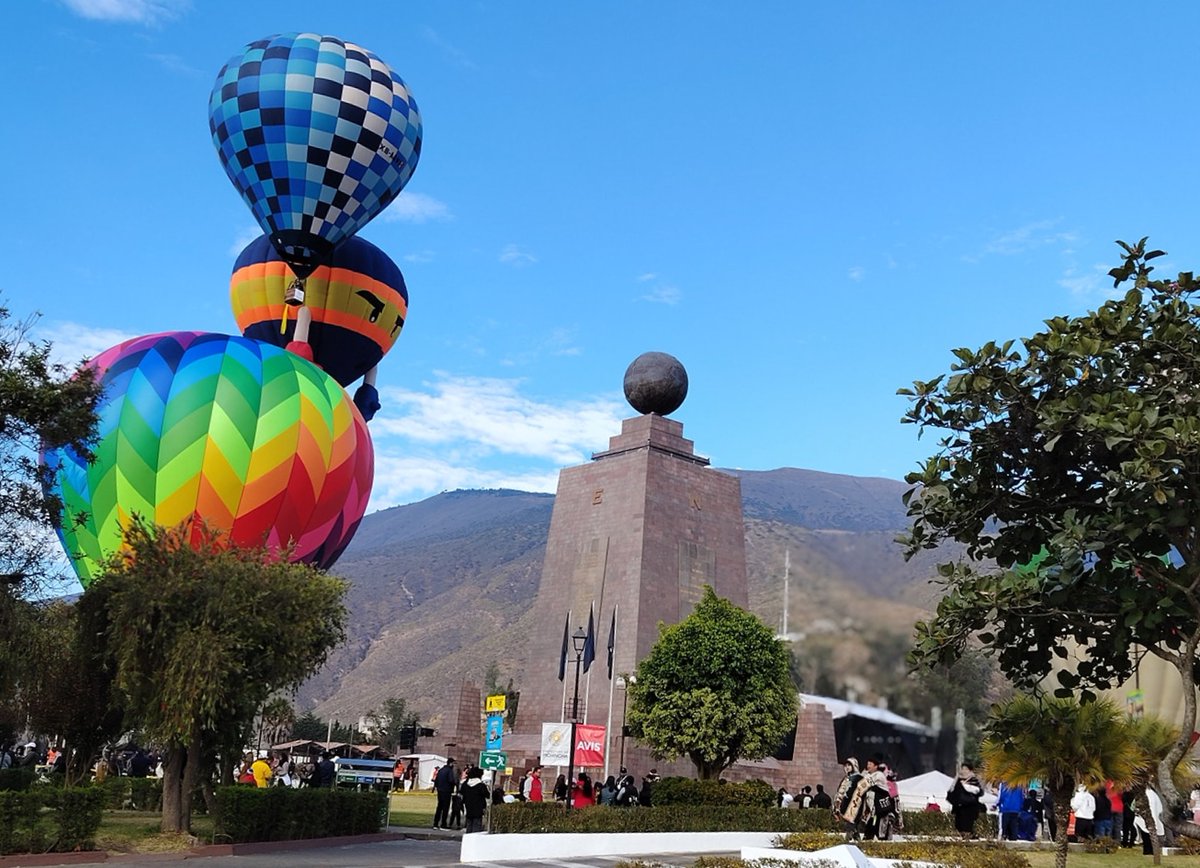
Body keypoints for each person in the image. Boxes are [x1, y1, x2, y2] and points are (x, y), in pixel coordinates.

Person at [947, 762, 984, 839]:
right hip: (959, 806)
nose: (964, 771)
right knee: (958, 824)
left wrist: (967, 787)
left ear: (970, 770)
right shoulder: (958, 779)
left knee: (967, 824)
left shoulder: (973, 779)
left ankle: (968, 837)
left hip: (970, 807)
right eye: (963, 768)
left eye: (966, 769)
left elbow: (979, 792)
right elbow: (953, 790)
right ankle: (964, 837)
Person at [1134, 786, 1165, 856]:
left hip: (1148, 818)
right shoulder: (1152, 794)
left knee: (1147, 835)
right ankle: (1149, 850)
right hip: (1147, 818)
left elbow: (1152, 807)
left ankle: (1148, 851)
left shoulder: (1149, 794)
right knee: (1146, 835)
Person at [461, 766, 490, 833]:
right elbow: (487, 795)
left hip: (468, 807)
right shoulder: (481, 785)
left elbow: (462, 793)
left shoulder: (465, 784)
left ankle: (468, 841)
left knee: (469, 825)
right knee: (476, 827)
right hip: (478, 808)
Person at [433, 757, 457, 829]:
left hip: (440, 791)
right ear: (450, 763)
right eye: (453, 764)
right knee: (445, 808)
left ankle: (435, 824)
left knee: (439, 807)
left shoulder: (441, 770)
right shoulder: (449, 771)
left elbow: (436, 781)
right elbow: (451, 780)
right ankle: (443, 824)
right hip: (447, 791)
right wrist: (455, 784)